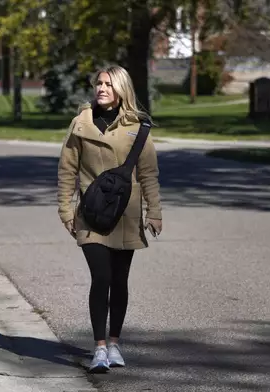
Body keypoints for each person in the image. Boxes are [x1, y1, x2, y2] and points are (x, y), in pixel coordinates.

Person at [56, 65, 163, 373]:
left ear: (121, 90)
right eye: (98, 83)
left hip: (125, 215)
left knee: (119, 281)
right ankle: (99, 348)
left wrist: (154, 211)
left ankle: (114, 343)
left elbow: (148, 174)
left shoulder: (137, 126)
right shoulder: (81, 124)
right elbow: (67, 172)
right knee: (101, 278)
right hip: (90, 216)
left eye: (108, 84)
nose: (101, 88)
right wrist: (65, 210)